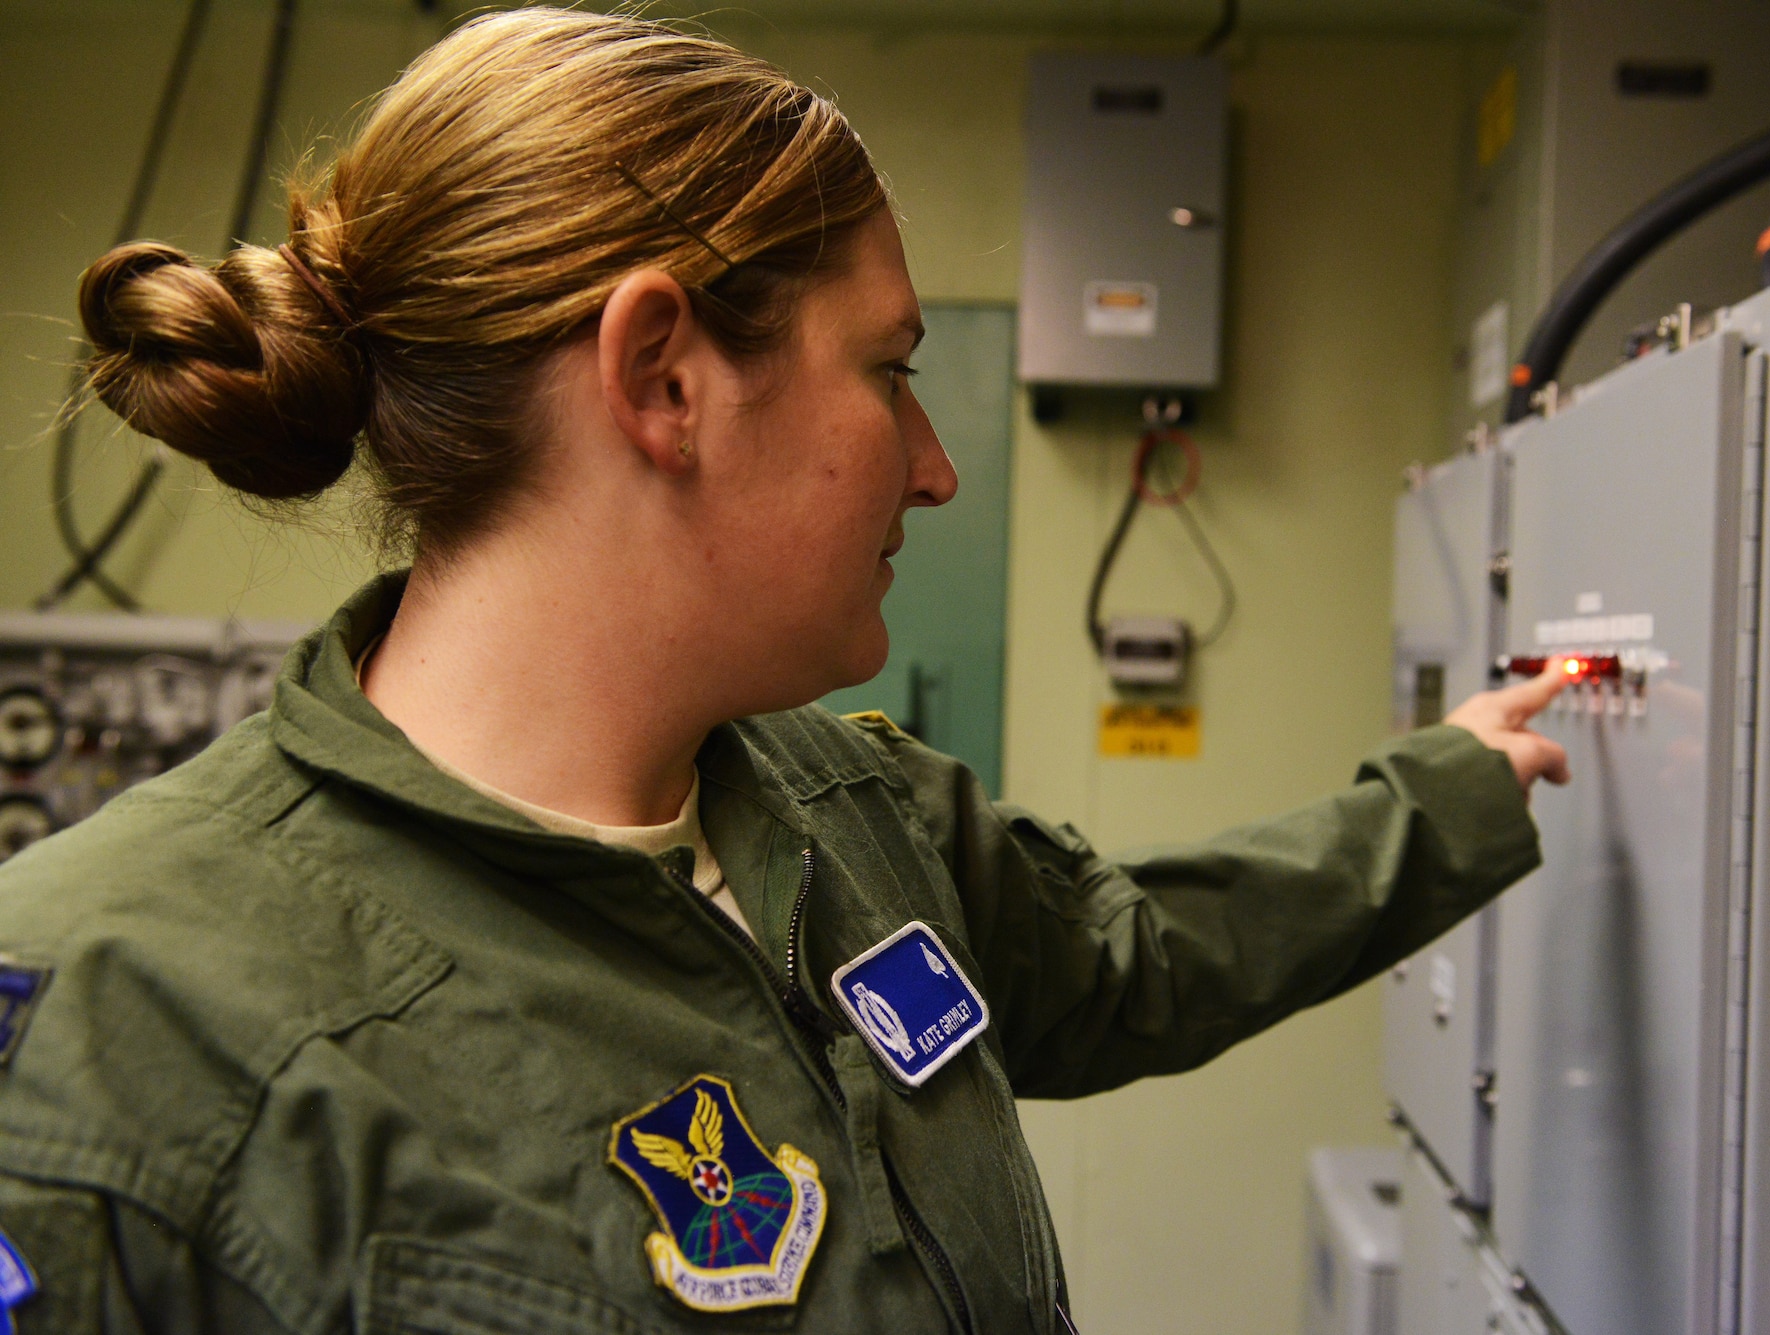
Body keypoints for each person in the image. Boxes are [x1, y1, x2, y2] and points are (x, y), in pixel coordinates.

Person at [0, 10, 1570, 1333]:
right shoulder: (118, 1015)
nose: (938, 467)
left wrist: (1462, 785)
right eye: (890, 373)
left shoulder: (850, 813)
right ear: (662, 376)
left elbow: (1136, 955)